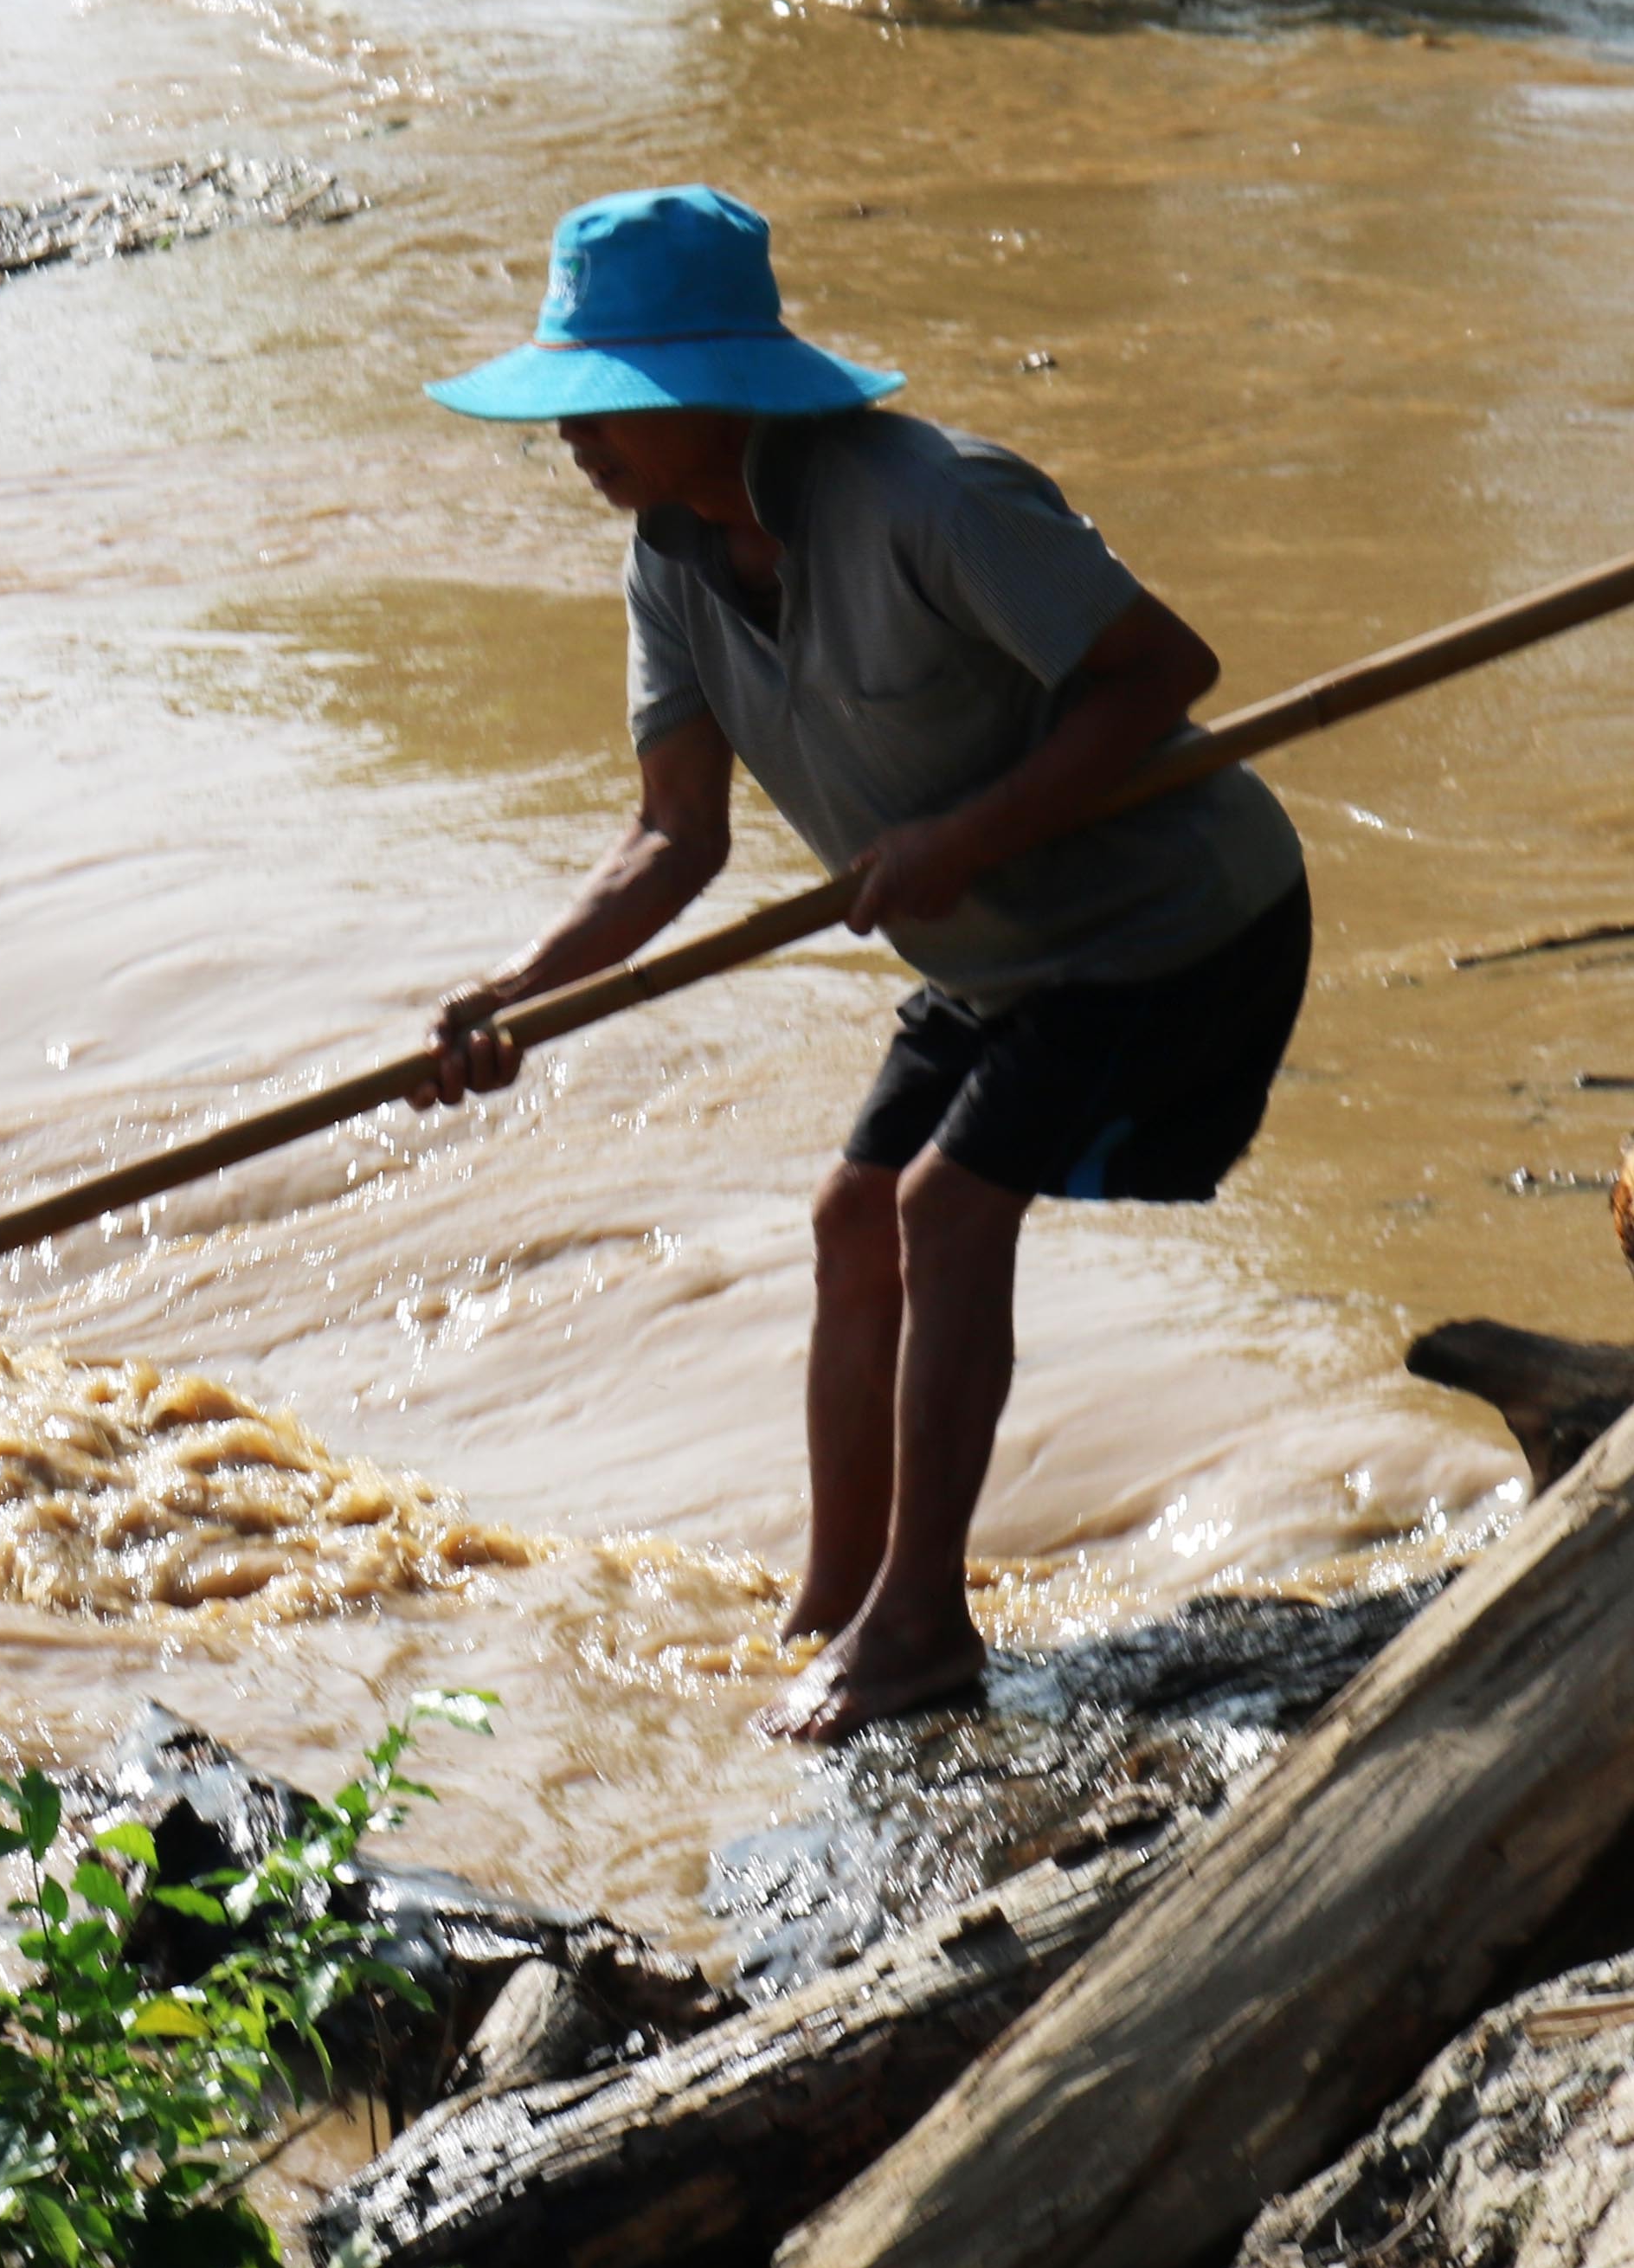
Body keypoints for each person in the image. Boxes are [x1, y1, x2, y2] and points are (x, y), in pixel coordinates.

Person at [413, 188, 1309, 1743]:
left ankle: (919, 1626)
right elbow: (673, 838)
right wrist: (516, 995)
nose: (575, 439)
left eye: (606, 403)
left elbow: (1163, 672)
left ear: (719, 386)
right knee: (853, 1220)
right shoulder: (675, 558)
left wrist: (966, 829)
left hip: (1173, 928)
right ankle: (836, 1595)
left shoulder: (932, 499)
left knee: (944, 1203)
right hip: (995, 955)